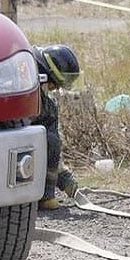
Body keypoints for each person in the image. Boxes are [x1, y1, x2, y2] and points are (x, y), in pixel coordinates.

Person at [33, 45, 82, 210]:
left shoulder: (47, 105)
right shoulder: (26, 94)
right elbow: (50, 143)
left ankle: (44, 194)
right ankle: (45, 196)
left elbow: (53, 149)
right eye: (57, 84)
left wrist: (64, 178)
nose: (58, 89)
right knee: (50, 140)